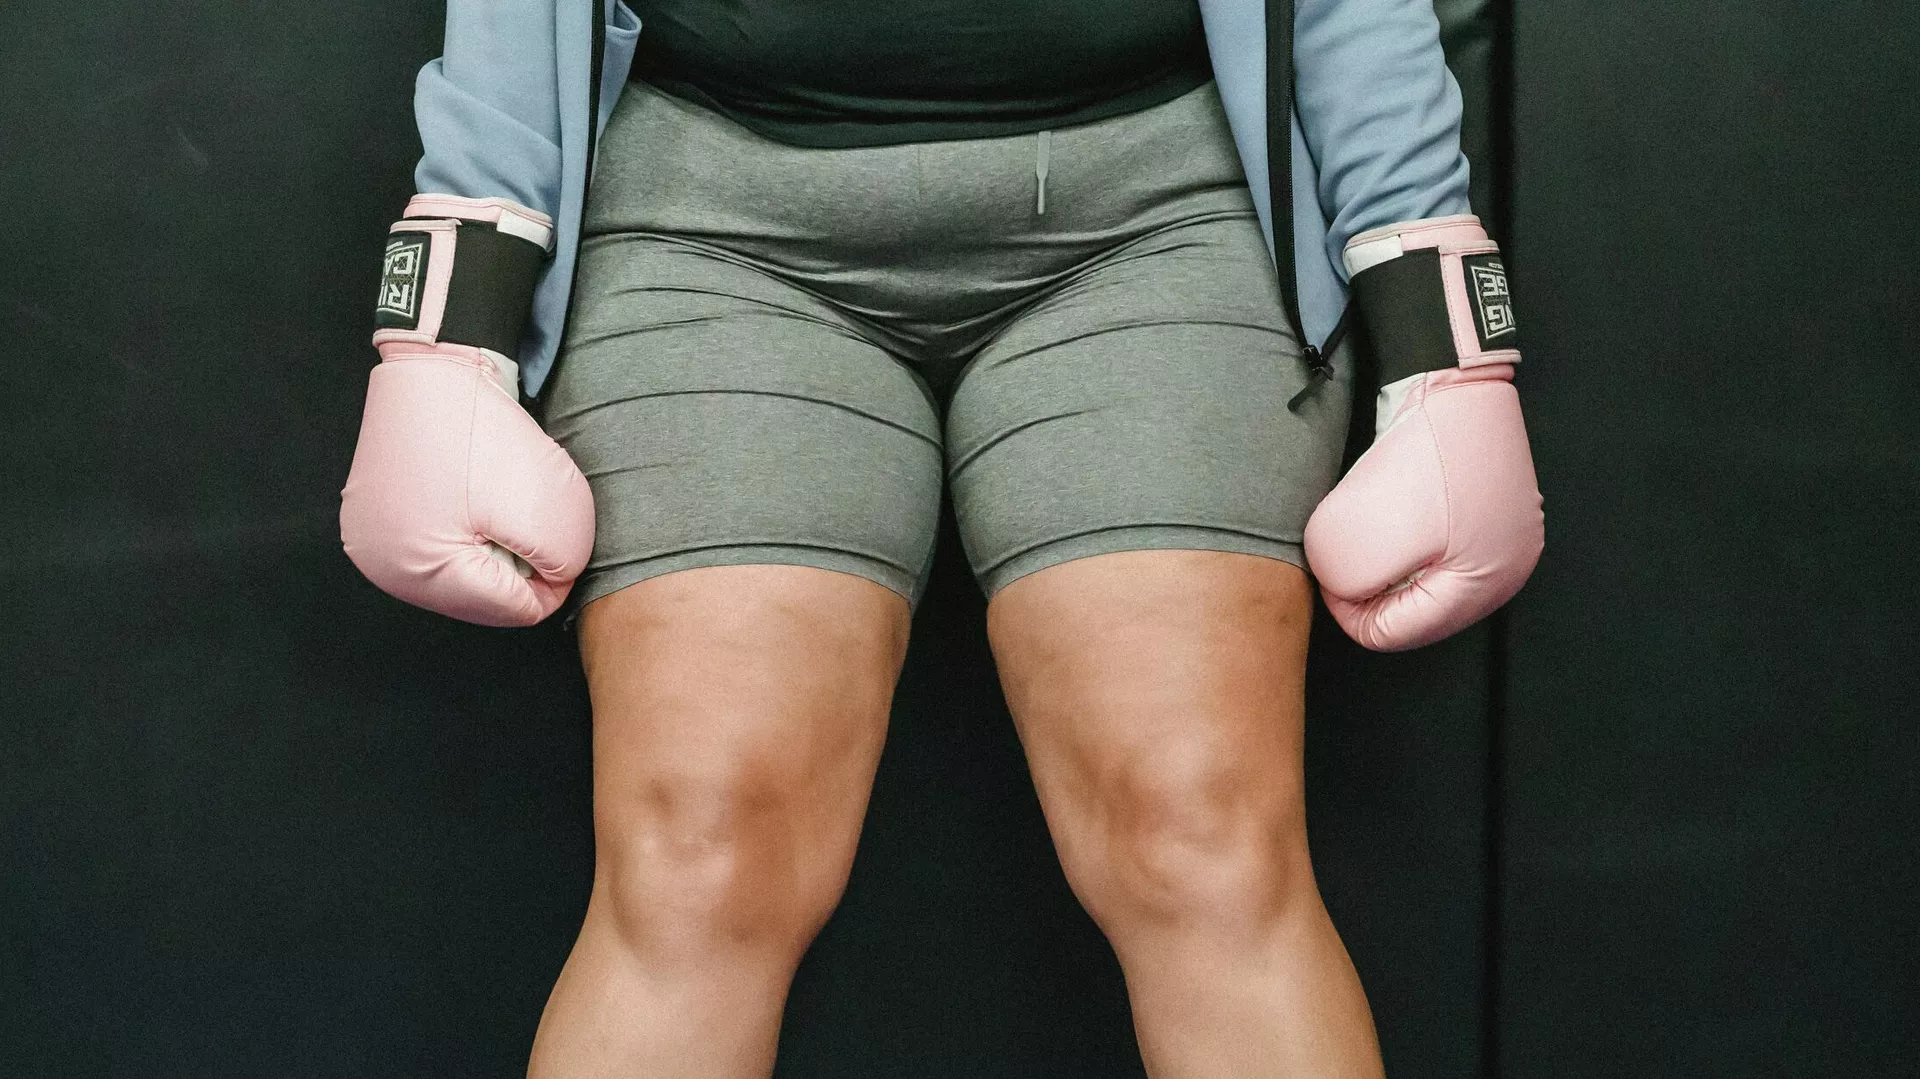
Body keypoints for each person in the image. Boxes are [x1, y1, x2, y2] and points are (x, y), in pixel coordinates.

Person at [340, 0, 1544, 1074]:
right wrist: (452, 321)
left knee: (1199, 832)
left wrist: (1441, 332)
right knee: (700, 851)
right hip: (707, 207)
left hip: (1162, 200)